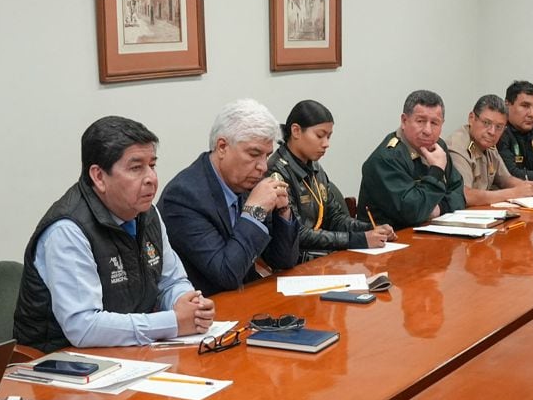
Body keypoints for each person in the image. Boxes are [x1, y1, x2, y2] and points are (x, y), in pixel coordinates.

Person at [14, 116, 214, 353]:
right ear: (98, 176)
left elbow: (171, 280)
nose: (151, 178)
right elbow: (83, 326)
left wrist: (185, 303)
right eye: (136, 168)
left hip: (127, 353)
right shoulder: (67, 230)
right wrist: (172, 323)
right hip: (61, 364)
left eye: (152, 165)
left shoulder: (147, 213)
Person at [161, 99, 302, 297]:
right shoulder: (183, 197)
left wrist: (283, 211)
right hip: (210, 311)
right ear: (222, 147)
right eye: (254, 154)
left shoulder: (246, 182)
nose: (263, 166)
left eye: (266, 155)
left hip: (249, 301)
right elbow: (227, 274)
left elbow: (284, 261)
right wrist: (254, 212)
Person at [267, 100, 394, 258]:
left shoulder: (315, 167)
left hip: (321, 255)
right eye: (320, 135)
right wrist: (358, 239)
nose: (326, 144)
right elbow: (297, 233)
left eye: (329, 136)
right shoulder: (277, 171)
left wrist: (370, 228)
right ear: (296, 131)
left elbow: (335, 217)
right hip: (297, 260)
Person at [356, 89, 467, 228]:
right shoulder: (386, 159)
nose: (427, 130)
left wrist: (438, 209)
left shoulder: (438, 146)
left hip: (431, 233)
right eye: (420, 121)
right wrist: (436, 170)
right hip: (391, 241)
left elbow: (459, 194)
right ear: (404, 121)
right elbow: (414, 212)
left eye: (434, 123)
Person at [446, 95, 533, 204]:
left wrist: (529, 186)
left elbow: (506, 179)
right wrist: (514, 193)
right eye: (486, 123)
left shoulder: (489, 145)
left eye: (499, 127)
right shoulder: (457, 146)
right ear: (471, 118)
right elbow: (465, 195)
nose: (492, 132)